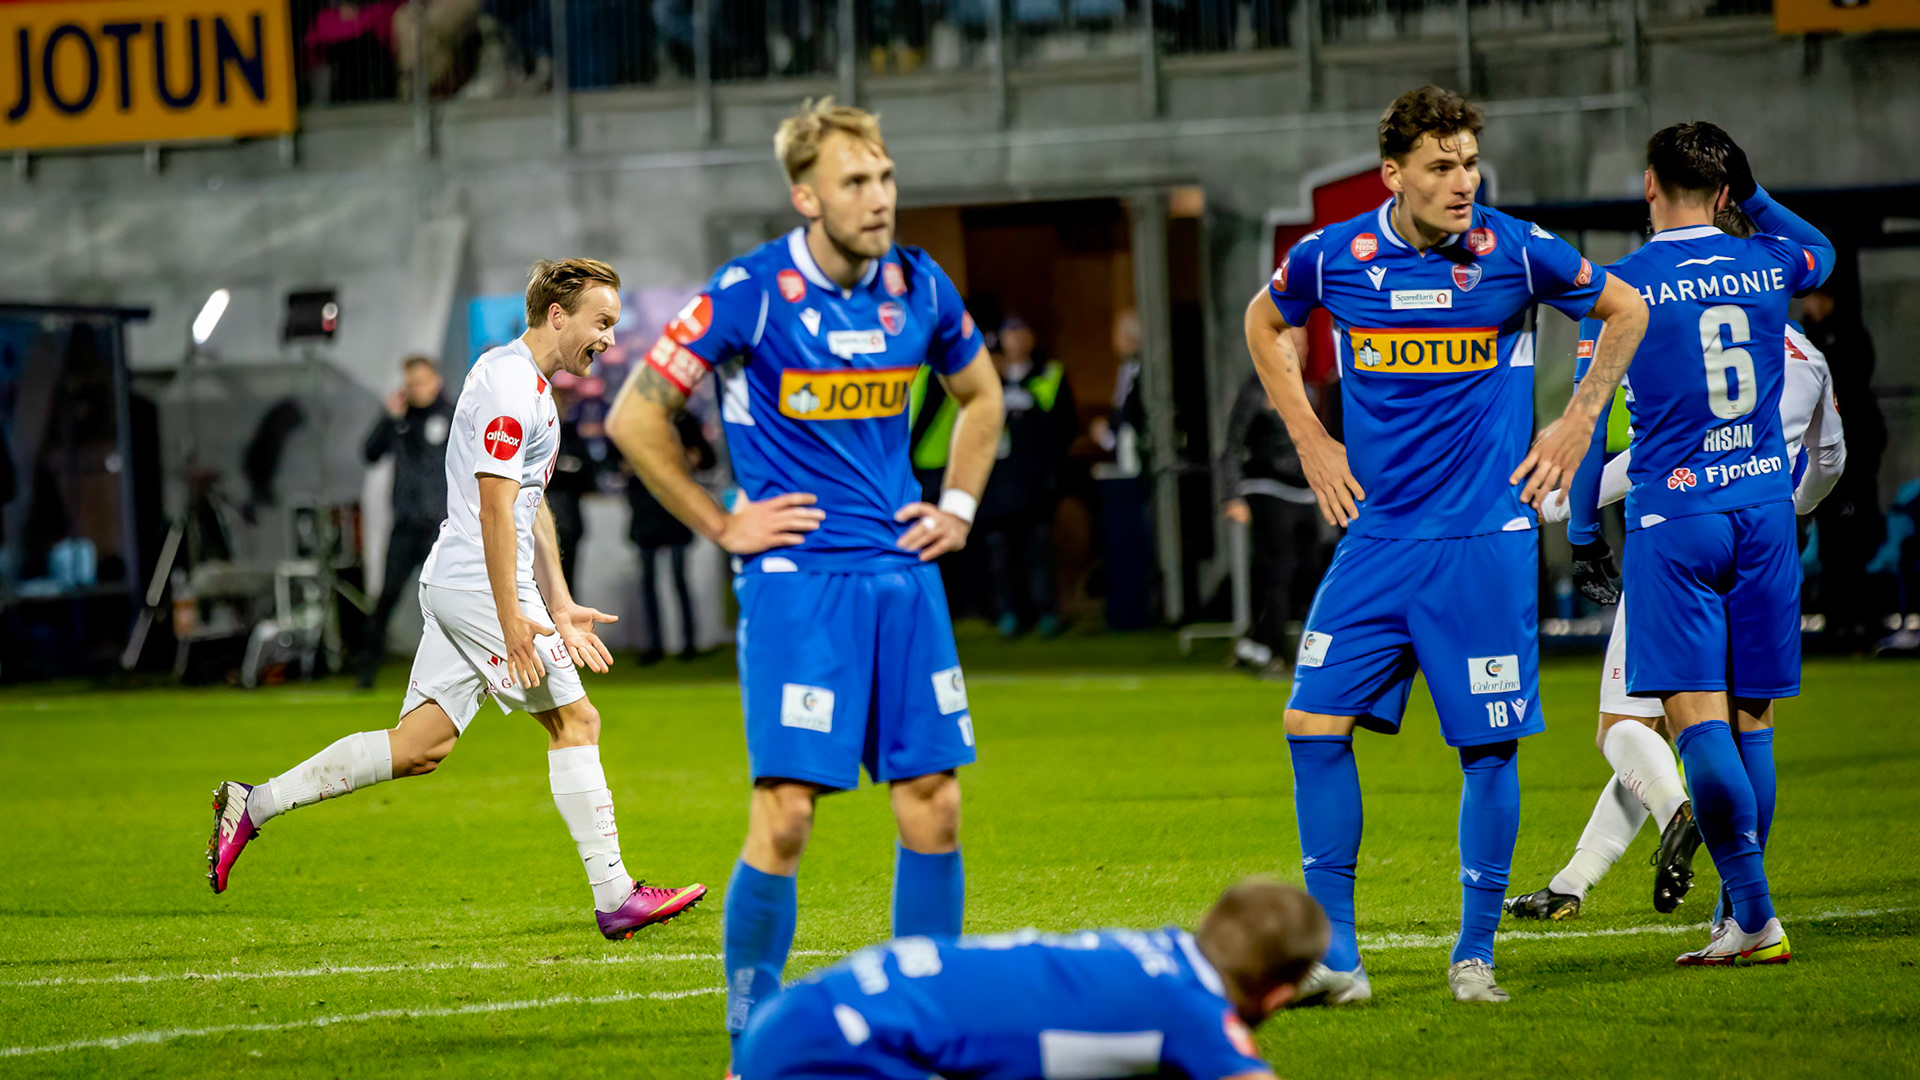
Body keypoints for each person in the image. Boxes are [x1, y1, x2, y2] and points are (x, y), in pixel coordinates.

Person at [602, 99, 1002, 1056]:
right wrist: (721, 522)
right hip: (798, 584)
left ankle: (922, 1033)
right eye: (855, 182)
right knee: (784, 818)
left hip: (902, 577)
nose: (879, 197)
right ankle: (753, 1046)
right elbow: (635, 416)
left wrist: (956, 507)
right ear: (806, 196)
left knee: (936, 803)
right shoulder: (751, 292)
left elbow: (982, 394)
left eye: (886, 176)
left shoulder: (920, 283)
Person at [1244, 84, 1648, 1004]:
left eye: (1469, 163)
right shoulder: (1335, 257)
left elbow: (1625, 310)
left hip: (1482, 542)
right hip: (1379, 538)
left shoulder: (1515, 250)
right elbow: (1264, 323)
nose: (1464, 181)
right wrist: (1310, 438)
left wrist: (1577, 420)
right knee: (1311, 725)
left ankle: (1474, 956)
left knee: (1487, 749)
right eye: (1441, 166)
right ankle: (1337, 959)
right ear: (1394, 175)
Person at [208, 259, 707, 940]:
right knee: (576, 721)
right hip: (481, 582)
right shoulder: (509, 384)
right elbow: (496, 509)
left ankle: (253, 803)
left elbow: (531, 507)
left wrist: (560, 602)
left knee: (421, 745)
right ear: (557, 315)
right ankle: (617, 895)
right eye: (601, 323)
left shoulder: (532, 387)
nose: (609, 339)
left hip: (469, 579)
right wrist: (513, 617)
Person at [1508, 204, 1846, 925]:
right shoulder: (1803, 353)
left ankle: (1686, 823)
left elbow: (1651, 451)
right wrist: (1793, 508)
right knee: (1743, 728)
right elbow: (1828, 459)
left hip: (1681, 540)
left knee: (1627, 726)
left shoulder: (1657, 311)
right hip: (1763, 538)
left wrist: (1567, 509)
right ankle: (1593, 884)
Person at [733, 878, 1328, 1080]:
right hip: (842, 1046)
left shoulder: (1157, 948)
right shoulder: (1194, 1014)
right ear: (1279, 995)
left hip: (807, 1010)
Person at [357, 355, 455, 688]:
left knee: (450, 600)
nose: (416, 389)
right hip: (405, 526)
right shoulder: (400, 420)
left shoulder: (453, 416)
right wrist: (388, 418)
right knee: (386, 597)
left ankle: (462, 670)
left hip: (441, 528)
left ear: (436, 381)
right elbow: (369, 453)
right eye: (411, 383)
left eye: (422, 382)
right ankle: (366, 672)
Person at [977, 315, 1076, 639]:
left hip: (1036, 482)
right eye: (1009, 334)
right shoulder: (987, 381)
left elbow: (1066, 426)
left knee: (1040, 550)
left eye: (1021, 333)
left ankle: (1045, 611)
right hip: (998, 483)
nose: (1015, 341)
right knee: (1001, 553)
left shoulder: (1048, 374)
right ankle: (1008, 612)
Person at [1800, 285, 1888, 648]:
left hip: (1853, 457)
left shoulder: (1848, 337)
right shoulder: (1805, 337)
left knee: (1856, 539)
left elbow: (1852, 387)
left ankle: (1862, 619)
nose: (1810, 305)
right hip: (1824, 458)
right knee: (1831, 543)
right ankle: (1837, 619)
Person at [1220, 367, 1320, 681]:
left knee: (1312, 573)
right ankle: (1277, 653)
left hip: (1304, 492)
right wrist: (1231, 495)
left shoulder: (1308, 387)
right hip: (1267, 488)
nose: (1299, 347)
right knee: (1281, 570)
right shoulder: (1257, 387)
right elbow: (1233, 443)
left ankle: (1256, 645)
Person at [625, 412, 714, 663]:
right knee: (651, 584)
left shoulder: (683, 421)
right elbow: (617, 460)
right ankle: (655, 644)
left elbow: (707, 459)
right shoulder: (636, 420)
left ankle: (687, 643)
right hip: (647, 512)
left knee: (678, 581)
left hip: (674, 513)